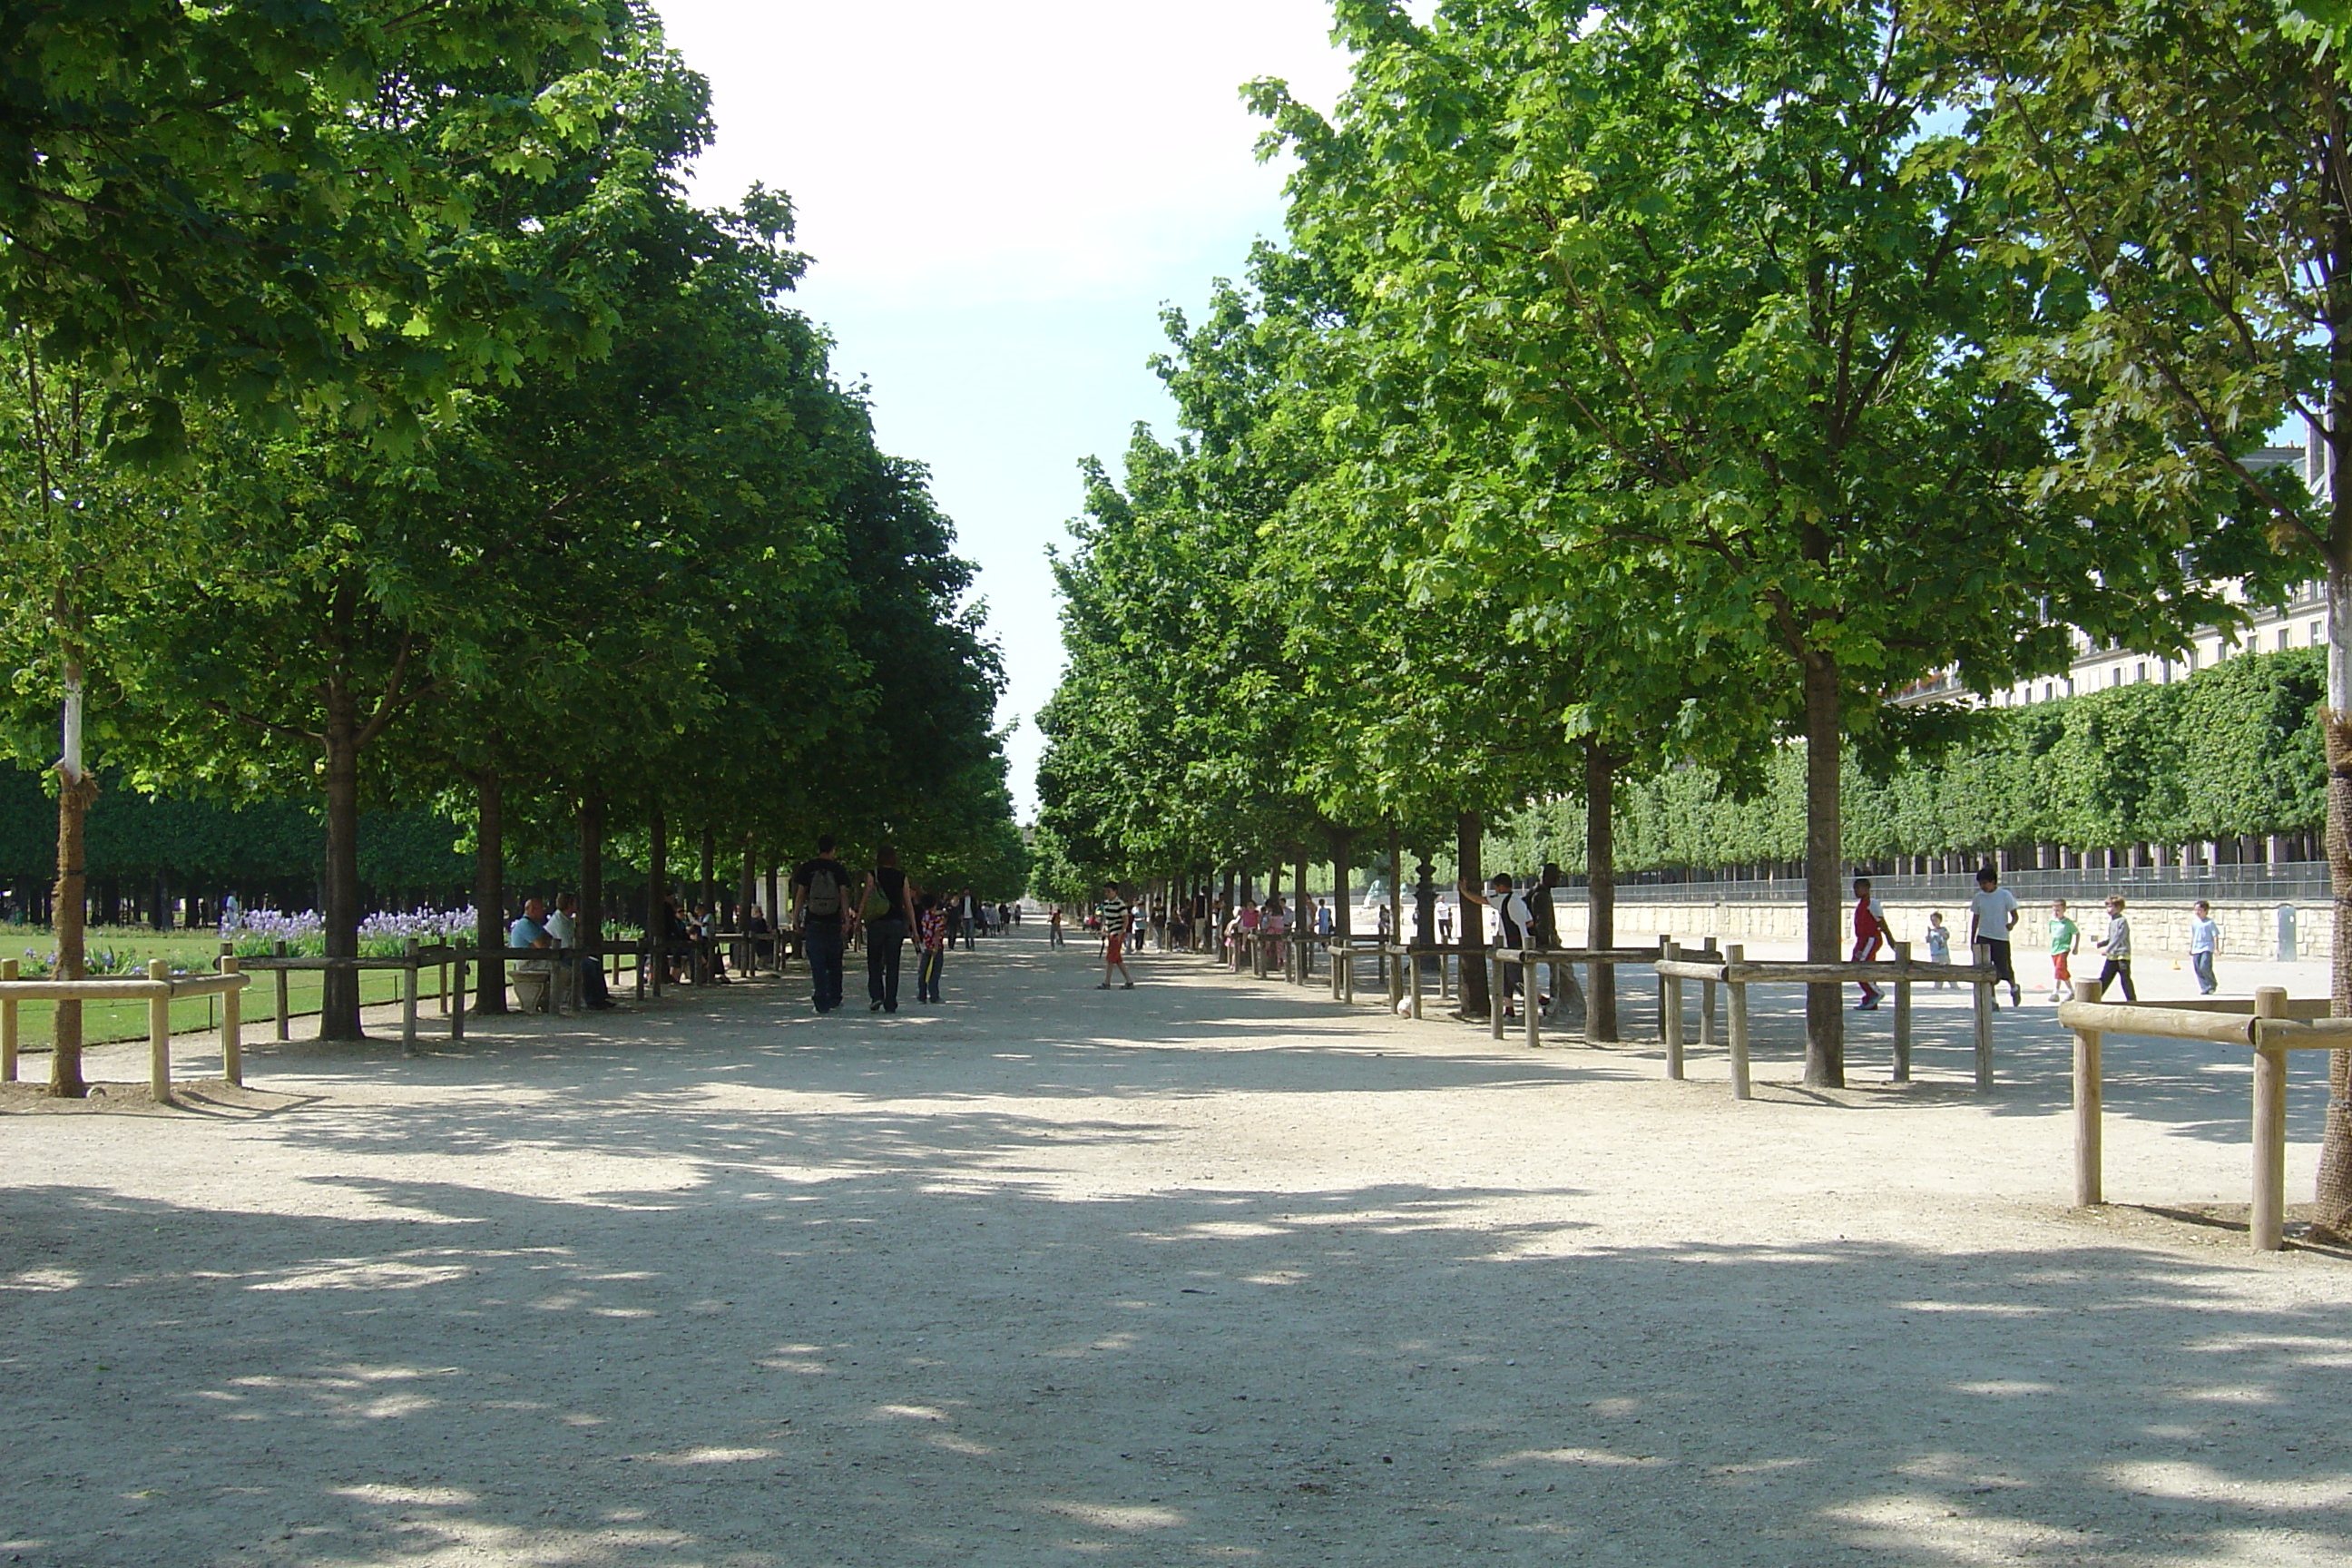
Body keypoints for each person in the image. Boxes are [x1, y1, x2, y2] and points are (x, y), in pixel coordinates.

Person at [1457, 872, 1534, 1017]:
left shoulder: (1502, 899)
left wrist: (1464, 891)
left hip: (1510, 942)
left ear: (1500, 887)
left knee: (1516, 979)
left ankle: (1542, 1001)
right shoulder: (1519, 900)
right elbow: (1529, 922)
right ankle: (1509, 1010)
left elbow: (1479, 900)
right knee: (1506, 979)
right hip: (1523, 940)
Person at [790, 835, 851, 1014]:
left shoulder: (808, 868)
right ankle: (835, 997)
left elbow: (800, 895)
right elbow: (843, 896)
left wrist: (795, 918)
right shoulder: (838, 869)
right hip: (833, 921)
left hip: (813, 920)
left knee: (817, 962)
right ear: (833, 849)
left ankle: (820, 999)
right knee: (834, 961)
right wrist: (846, 919)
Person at [860, 847, 913, 1013]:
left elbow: (866, 896)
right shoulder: (901, 877)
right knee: (893, 963)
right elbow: (908, 903)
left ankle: (876, 996)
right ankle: (891, 1001)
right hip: (896, 923)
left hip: (876, 923)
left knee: (874, 960)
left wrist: (858, 919)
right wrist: (915, 929)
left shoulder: (873, 874)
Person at [544, 893, 612, 1010]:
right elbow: (567, 945)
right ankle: (591, 999)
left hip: (570, 954)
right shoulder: (559, 922)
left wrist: (579, 924)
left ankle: (600, 997)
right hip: (562, 956)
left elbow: (577, 938)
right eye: (574, 903)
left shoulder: (567, 920)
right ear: (569, 904)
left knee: (595, 963)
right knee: (588, 966)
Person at [1967, 866, 2022, 1009]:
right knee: (1986, 969)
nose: (1983, 886)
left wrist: (2011, 924)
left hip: (2000, 937)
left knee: (2004, 968)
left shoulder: (2005, 895)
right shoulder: (1979, 897)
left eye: (1985, 883)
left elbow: (2015, 915)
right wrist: (1972, 939)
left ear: (1993, 882)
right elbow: (1975, 918)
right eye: (1980, 884)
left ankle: (2014, 987)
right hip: (1984, 936)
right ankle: (1992, 999)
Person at [1851, 877, 1888, 1010]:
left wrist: (1890, 939)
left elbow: (1881, 922)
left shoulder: (1871, 903)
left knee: (1860, 966)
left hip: (1870, 939)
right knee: (1862, 966)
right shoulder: (1861, 904)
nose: (1855, 891)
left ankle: (1875, 993)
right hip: (1862, 940)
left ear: (1866, 889)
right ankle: (1869, 999)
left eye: (1858, 888)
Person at [2094, 895, 2136, 1001]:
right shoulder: (2113, 921)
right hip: (2112, 956)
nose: (2108, 909)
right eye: (2107, 907)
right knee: (2104, 979)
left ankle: (2132, 1000)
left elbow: (2119, 937)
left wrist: (2108, 949)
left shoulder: (2122, 921)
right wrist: (2103, 943)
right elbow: (2112, 937)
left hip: (2122, 956)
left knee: (2125, 980)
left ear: (2118, 908)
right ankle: (2095, 998)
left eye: (2111, 907)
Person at [1096, 882, 1134, 988]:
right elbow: (1105, 918)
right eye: (1106, 891)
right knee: (1117, 958)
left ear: (1115, 892)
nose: (1107, 893)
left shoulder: (1120, 904)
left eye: (1109, 891)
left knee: (1111, 958)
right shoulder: (1106, 903)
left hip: (1117, 933)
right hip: (1111, 932)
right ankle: (1129, 981)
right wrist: (1104, 928)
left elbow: (1125, 920)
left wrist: (1121, 933)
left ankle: (1107, 982)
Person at [915, 891, 947, 1004]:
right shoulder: (939, 918)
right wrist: (936, 946)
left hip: (926, 946)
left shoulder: (925, 916)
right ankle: (934, 996)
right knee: (934, 973)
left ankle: (921, 995)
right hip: (936, 947)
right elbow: (937, 932)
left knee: (923, 971)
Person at [2047, 899, 2081, 1004]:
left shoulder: (2068, 923)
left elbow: (2077, 933)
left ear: (2064, 910)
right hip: (2054, 949)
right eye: (2054, 910)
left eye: (2058, 910)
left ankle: (2055, 992)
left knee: (2059, 969)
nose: (2056, 913)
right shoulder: (2052, 922)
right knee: (2062, 971)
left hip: (2063, 949)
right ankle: (2071, 991)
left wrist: (2075, 947)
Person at [2188, 899, 2220, 995]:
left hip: (2207, 948)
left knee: (2204, 966)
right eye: (2196, 910)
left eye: (2200, 910)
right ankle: (2204, 987)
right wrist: (2191, 947)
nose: (2197, 912)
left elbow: (2215, 935)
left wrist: (2216, 948)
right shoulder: (2195, 923)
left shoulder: (2210, 923)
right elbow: (2194, 936)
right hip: (2196, 948)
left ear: (2206, 911)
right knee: (2197, 968)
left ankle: (2212, 984)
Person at [1923, 912, 1953, 988]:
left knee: (1948, 969)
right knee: (1936, 970)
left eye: (1936, 920)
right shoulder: (1931, 932)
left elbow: (1946, 936)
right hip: (1935, 954)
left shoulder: (1944, 929)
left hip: (1943, 953)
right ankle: (1938, 985)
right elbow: (1928, 940)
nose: (1934, 922)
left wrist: (1938, 931)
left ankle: (1953, 984)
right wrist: (1929, 933)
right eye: (1932, 920)